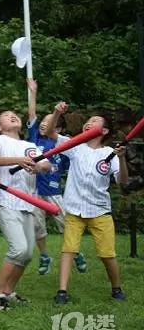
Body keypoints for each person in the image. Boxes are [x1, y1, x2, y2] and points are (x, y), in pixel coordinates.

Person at [54, 114, 128, 305]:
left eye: (95, 121)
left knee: (107, 254)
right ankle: (62, 291)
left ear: (104, 131)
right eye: (88, 120)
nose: (89, 122)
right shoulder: (75, 147)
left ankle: (116, 288)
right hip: (74, 209)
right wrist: (56, 114)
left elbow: (122, 181)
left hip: (100, 211)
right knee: (68, 249)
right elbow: (50, 133)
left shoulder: (110, 153)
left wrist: (121, 158)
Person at [0, 108, 50, 310]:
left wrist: (37, 167)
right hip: (6, 201)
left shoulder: (29, 145)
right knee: (18, 249)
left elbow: (47, 165)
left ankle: (8, 292)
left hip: (28, 203)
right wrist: (18, 161)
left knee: (28, 253)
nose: (12, 116)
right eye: (5, 115)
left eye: (14, 114)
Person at [25, 80, 86, 276]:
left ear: (57, 129)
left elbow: (71, 167)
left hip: (53, 192)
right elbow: (32, 114)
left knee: (65, 224)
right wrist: (33, 92)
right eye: (43, 122)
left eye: (49, 123)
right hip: (33, 191)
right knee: (37, 227)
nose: (44, 124)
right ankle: (44, 256)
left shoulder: (63, 145)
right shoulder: (34, 136)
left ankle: (75, 252)